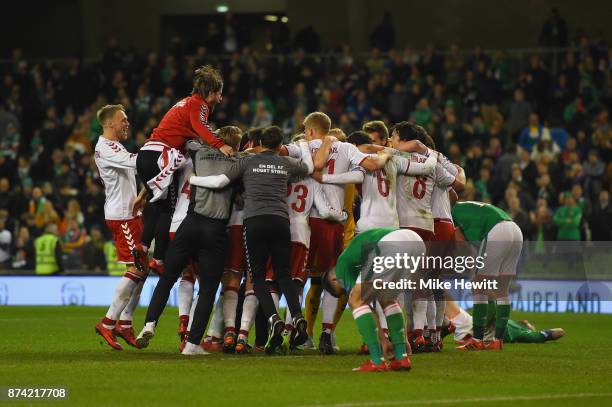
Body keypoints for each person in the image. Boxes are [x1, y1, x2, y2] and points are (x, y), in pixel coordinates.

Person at [188, 126, 314, 354]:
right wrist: (304, 143)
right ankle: (296, 316)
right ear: (279, 145)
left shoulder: (247, 162)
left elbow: (219, 182)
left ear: (260, 143)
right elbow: (310, 167)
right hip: (280, 221)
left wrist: (195, 180)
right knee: (283, 275)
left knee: (257, 279)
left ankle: (274, 318)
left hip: (254, 221)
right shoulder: (285, 163)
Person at [136, 127, 243, 355]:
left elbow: (183, 138)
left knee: (167, 279)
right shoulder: (238, 162)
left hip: (190, 224)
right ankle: (192, 345)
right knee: (207, 290)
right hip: (215, 230)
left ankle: (149, 324)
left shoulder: (199, 151)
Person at [136, 65, 230, 274]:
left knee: (158, 206)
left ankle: (142, 246)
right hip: (162, 156)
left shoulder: (184, 103)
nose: (220, 99)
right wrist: (220, 145)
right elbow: (200, 127)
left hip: (146, 155)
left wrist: (142, 191)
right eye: (219, 93)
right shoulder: (199, 104)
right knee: (167, 210)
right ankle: (159, 258)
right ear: (211, 92)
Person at [322, 227, 425, 372]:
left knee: (356, 300)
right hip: (416, 243)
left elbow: (362, 303)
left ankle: (377, 360)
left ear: (334, 280)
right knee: (388, 298)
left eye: (343, 289)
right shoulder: (358, 259)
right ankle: (401, 357)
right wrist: (404, 339)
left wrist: (383, 341)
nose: (346, 289)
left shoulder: (341, 266)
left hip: (392, 244)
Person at [93, 104, 149, 350]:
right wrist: (160, 151)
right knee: (136, 269)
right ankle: (107, 323)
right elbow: (134, 163)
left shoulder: (116, 145)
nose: (127, 123)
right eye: (123, 120)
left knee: (143, 269)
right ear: (110, 123)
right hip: (122, 216)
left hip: (131, 214)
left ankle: (124, 323)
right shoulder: (105, 148)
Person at [452, 201, 523, 351]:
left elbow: (461, 243)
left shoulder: (449, 213)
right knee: (502, 290)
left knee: (478, 287)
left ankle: (477, 339)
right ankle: (498, 340)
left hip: (496, 230)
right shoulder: (465, 206)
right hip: (515, 229)